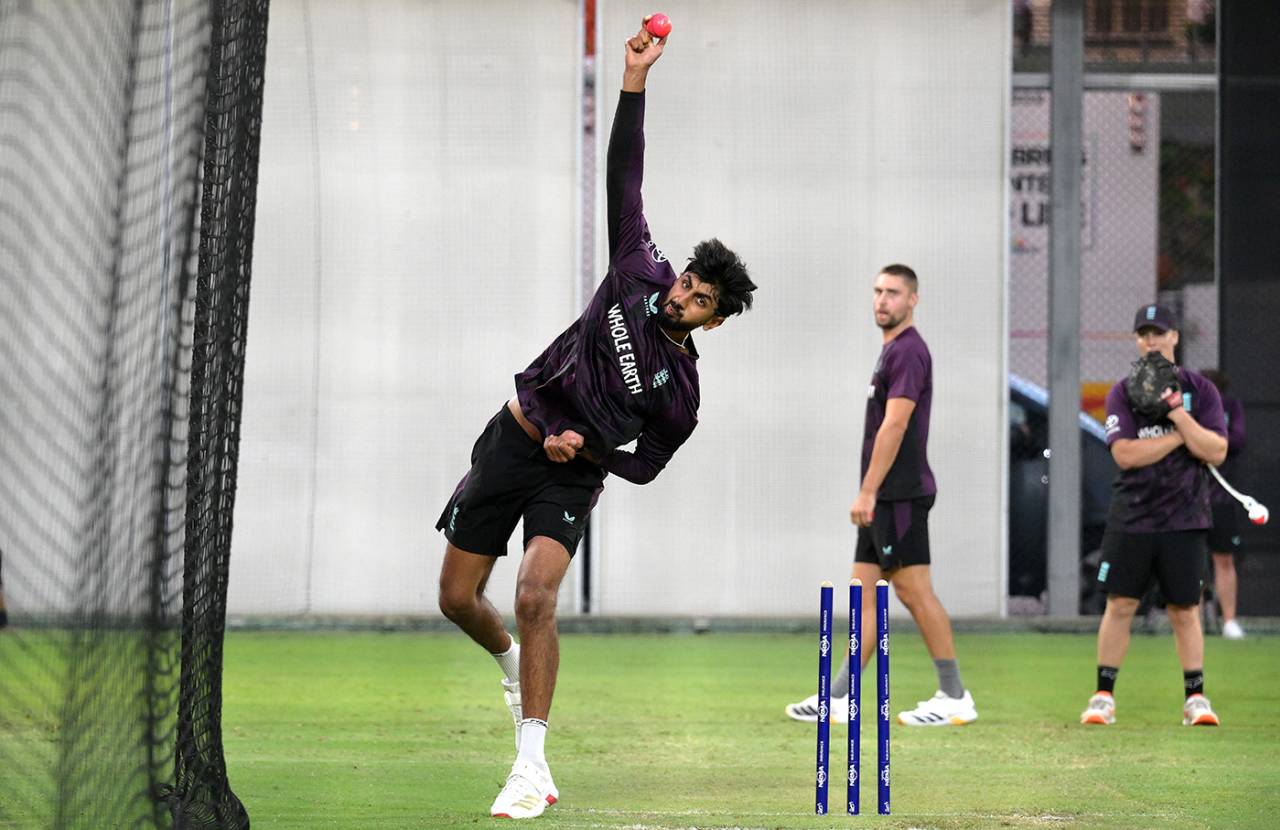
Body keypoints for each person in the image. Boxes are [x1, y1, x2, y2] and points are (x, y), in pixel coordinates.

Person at [434, 18, 756, 820]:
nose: (683, 295)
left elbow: (646, 462)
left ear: (713, 321)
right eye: (687, 282)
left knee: (535, 595)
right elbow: (625, 173)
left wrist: (593, 454)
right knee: (455, 598)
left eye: (701, 300)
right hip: (514, 432)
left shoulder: (680, 394)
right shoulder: (636, 269)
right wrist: (634, 79)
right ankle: (511, 666)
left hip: (572, 471)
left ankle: (531, 763)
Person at [785, 265, 978, 727]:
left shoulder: (909, 352)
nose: (882, 300)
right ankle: (839, 697)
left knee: (914, 592)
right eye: (877, 291)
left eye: (892, 292)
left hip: (900, 496)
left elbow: (895, 425)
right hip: (885, 498)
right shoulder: (890, 351)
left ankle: (954, 696)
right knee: (864, 596)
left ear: (913, 300)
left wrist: (868, 491)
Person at [1081, 304, 1227, 727]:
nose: (1151, 341)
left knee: (1185, 609)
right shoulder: (1122, 392)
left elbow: (1216, 450)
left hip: (1185, 517)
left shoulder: (1201, 391)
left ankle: (1196, 699)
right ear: (1136, 340)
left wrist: (1176, 413)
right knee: (1121, 603)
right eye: (1144, 334)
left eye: (1159, 333)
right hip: (1133, 516)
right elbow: (1125, 455)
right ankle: (1103, 696)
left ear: (1175, 337)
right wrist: (1185, 436)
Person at [1200, 369, 1247, 639]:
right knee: (1190, 561)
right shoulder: (1188, 410)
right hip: (1189, 501)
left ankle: (1229, 620)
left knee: (1224, 558)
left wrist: (1211, 441)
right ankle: (1190, 619)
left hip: (1221, 499)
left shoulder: (1231, 408)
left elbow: (1238, 440)